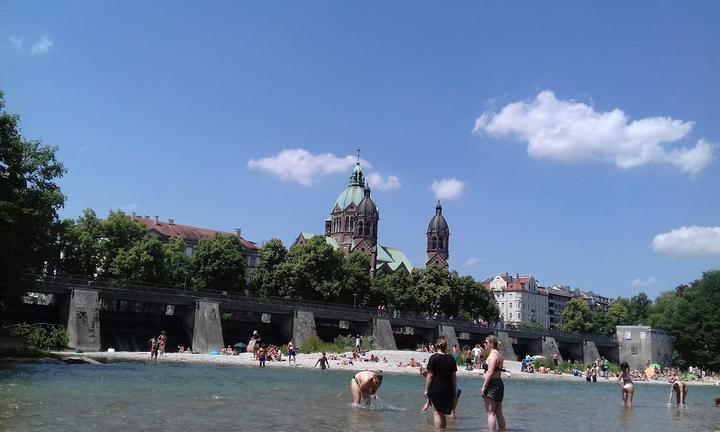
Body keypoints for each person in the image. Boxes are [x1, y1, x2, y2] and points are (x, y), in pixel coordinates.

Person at [423, 336, 457, 431]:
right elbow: (454, 376)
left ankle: (438, 430)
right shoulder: (451, 358)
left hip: (436, 388)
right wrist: (454, 390)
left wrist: (426, 390)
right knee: (443, 413)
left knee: (437, 412)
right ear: (446, 346)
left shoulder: (433, 358)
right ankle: (443, 430)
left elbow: (430, 376)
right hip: (448, 388)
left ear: (436, 345)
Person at [481, 335, 505, 431]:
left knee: (490, 413)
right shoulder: (498, 354)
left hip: (492, 385)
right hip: (498, 383)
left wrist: (484, 387)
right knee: (498, 412)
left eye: (486, 343)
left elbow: (490, 372)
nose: (484, 344)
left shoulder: (493, 355)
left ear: (491, 344)